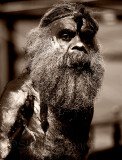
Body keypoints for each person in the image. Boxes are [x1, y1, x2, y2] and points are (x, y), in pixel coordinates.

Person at [0, 3, 104, 160]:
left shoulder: (82, 102)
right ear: (43, 43)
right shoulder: (20, 95)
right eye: (66, 36)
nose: (79, 44)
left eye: (86, 37)